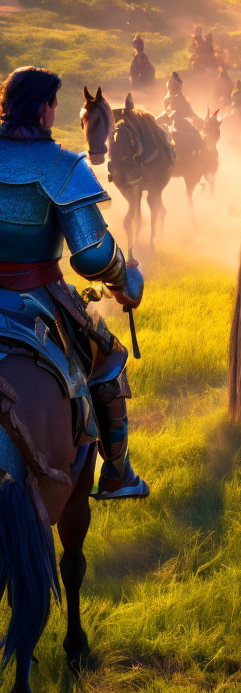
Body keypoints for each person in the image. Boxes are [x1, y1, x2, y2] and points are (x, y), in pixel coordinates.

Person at [0, 67, 148, 498]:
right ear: (46, 110)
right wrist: (126, 278)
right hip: (37, 296)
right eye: (54, 105)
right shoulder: (61, 167)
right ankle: (118, 473)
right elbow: (91, 254)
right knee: (109, 360)